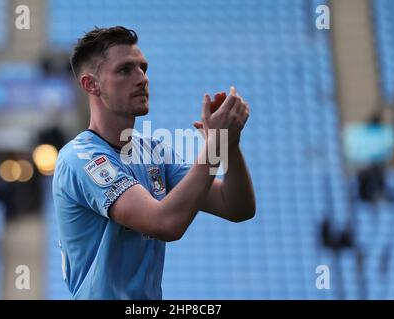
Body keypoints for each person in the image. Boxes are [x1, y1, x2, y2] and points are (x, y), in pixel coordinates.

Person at [52, 26, 256, 300]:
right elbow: (165, 223)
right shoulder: (80, 158)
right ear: (91, 84)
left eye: (143, 68)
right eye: (125, 70)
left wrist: (228, 144)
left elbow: (236, 206)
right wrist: (215, 144)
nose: (142, 79)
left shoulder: (154, 150)